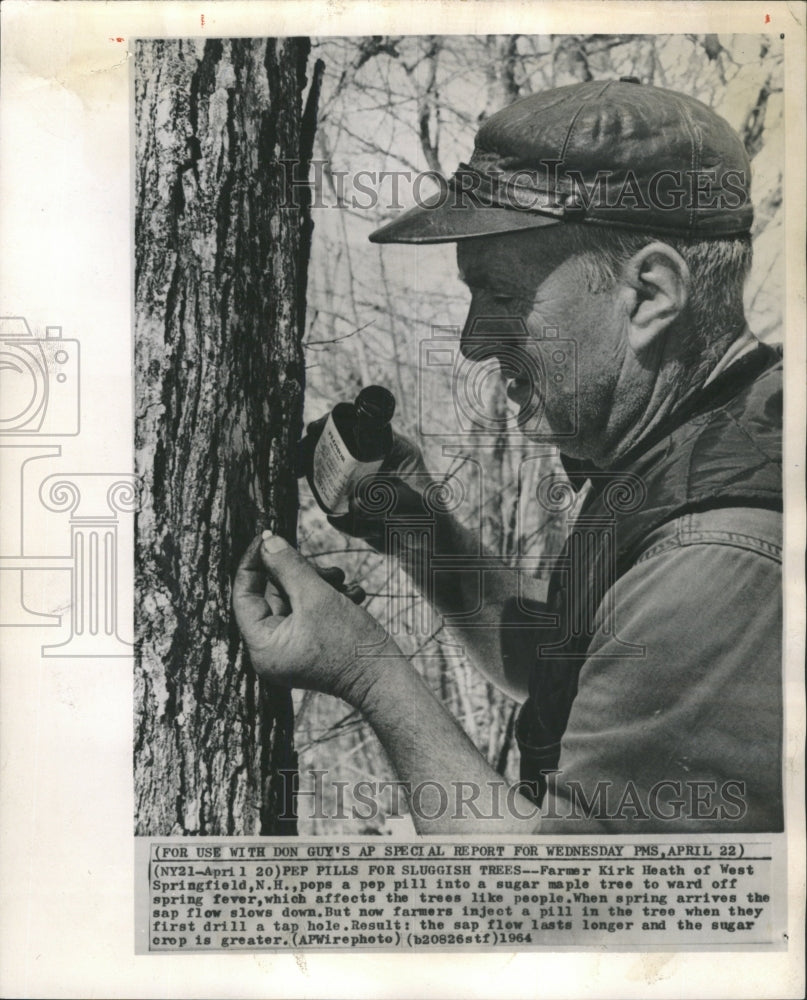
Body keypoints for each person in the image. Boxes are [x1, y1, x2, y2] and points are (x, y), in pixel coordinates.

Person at [233, 79, 783, 834]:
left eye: (499, 295)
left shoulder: (721, 557)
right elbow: (571, 666)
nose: (471, 340)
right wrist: (412, 526)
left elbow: (550, 907)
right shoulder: (708, 433)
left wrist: (366, 670)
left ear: (650, 293)